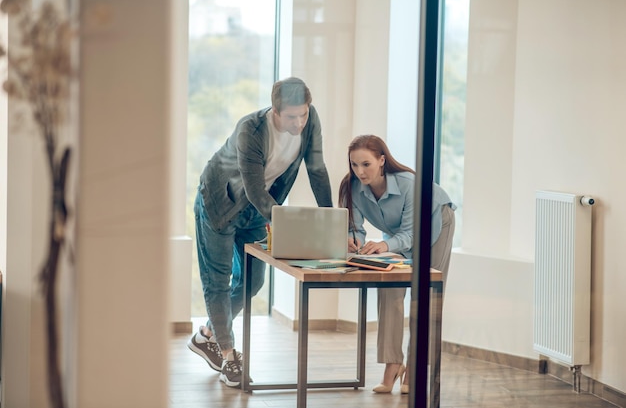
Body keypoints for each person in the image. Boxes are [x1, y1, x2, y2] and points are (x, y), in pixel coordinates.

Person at [189, 77, 333, 388]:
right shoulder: (250, 130)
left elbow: (317, 170)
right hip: (220, 204)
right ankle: (229, 357)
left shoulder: (310, 121)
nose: (299, 123)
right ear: (275, 111)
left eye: (303, 115)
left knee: (253, 281)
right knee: (218, 279)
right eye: (292, 116)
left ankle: (208, 336)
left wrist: (331, 220)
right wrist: (286, 222)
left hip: (256, 209)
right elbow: (253, 188)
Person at [338, 134, 455, 394]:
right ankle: (392, 364)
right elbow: (356, 228)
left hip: (436, 223)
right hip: (399, 235)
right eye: (354, 165)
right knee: (389, 287)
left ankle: (415, 368)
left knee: (424, 294)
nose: (360, 171)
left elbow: (413, 234)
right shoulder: (352, 187)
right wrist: (353, 241)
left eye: (366, 164)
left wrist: (385, 245)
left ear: (381, 161)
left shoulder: (409, 184)